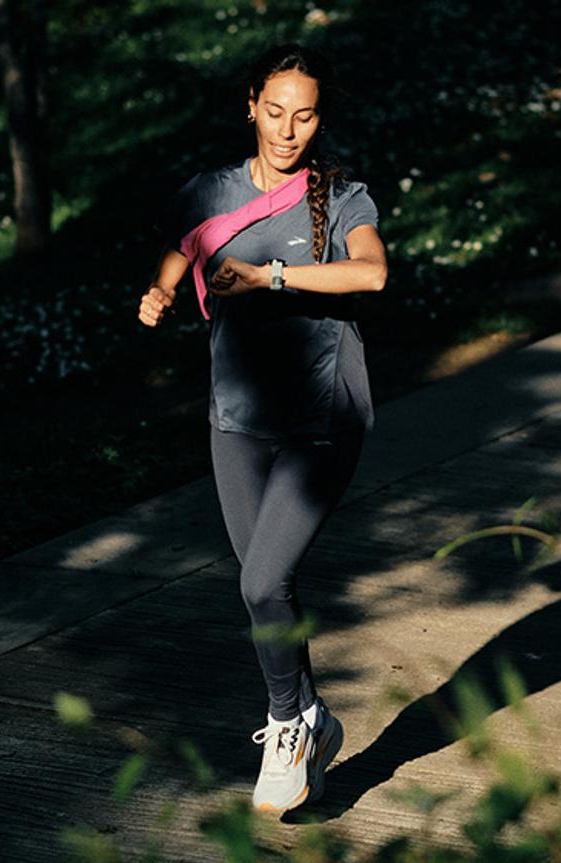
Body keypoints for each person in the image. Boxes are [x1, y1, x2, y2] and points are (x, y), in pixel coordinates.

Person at [135, 43, 387, 814]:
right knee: (265, 590)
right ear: (251, 105)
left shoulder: (344, 196)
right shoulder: (208, 191)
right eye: (274, 111)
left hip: (322, 417)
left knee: (259, 578)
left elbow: (370, 272)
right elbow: (182, 251)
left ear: (320, 118)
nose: (286, 129)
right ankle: (315, 718)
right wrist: (160, 292)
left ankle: (285, 722)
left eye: (303, 115)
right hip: (236, 420)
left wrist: (268, 276)